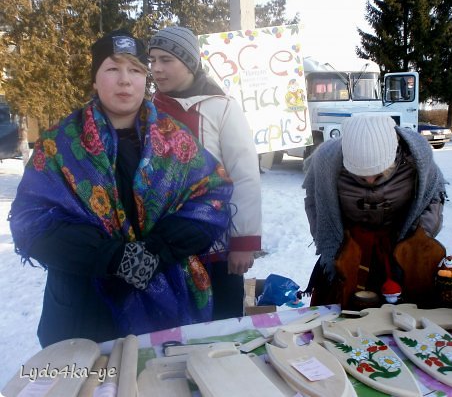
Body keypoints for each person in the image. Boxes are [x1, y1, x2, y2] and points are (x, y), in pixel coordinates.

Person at [9, 30, 233, 347]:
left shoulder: (175, 141)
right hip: (86, 309)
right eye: (113, 69)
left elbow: (212, 195)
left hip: (168, 300)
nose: (125, 80)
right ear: (94, 80)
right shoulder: (59, 145)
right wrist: (113, 258)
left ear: (146, 79)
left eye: (136, 70)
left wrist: (158, 249)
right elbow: (30, 221)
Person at [148, 26, 262, 320]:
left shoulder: (221, 108)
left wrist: (243, 242)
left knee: (221, 330)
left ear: (188, 62)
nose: (156, 69)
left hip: (216, 250)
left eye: (166, 60)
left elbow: (245, 174)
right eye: (152, 60)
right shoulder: (146, 110)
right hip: (161, 249)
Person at [303, 115, 446, 309]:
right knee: (342, 312)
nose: (370, 181)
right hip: (348, 250)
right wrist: (333, 244)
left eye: (378, 173)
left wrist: (419, 239)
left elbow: (433, 198)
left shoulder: (416, 158)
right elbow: (316, 203)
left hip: (401, 245)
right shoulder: (326, 161)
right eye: (359, 175)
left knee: (407, 312)